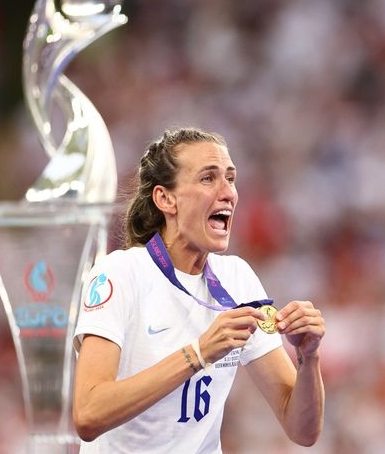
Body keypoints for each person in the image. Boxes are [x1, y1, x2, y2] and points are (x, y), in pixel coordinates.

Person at [72, 127, 325, 453]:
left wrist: (309, 356)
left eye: (230, 178)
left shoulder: (237, 279)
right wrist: (199, 352)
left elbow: (302, 430)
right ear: (166, 199)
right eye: (208, 178)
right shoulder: (119, 274)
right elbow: (88, 414)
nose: (228, 193)